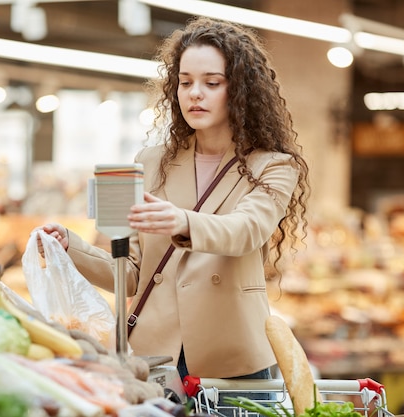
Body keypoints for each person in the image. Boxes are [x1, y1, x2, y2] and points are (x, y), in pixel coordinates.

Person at [35, 16, 310, 386]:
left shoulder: (273, 166)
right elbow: (132, 274)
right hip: (156, 356)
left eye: (212, 83)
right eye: (185, 83)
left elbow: (247, 230)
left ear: (241, 89)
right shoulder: (151, 162)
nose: (195, 93)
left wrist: (182, 222)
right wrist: (72, 247)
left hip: (232, 359)